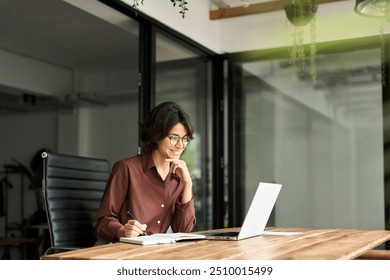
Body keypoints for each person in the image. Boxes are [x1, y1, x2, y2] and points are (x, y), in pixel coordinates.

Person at [92, 101, 196, 244]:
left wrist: (187, 183)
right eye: (173, 138)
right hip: (121, 251)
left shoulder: (180, 177)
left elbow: (184, 231)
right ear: (157, 135)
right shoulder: (126, 169)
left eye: (185, 139)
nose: (180, 145)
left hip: (155, 252)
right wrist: (123, 230)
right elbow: (102, 221)